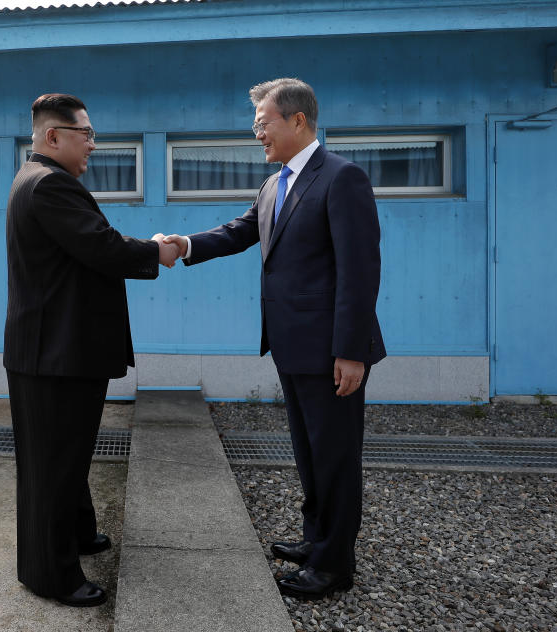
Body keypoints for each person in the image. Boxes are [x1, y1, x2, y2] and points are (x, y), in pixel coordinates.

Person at [159, 78, 385, 600]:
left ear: (297, 121)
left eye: (263, 124)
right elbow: (241, 231)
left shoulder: (341, 178)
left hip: (332, 349)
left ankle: (333, 566)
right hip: (291, 345)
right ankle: (316, 540)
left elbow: (360, 271)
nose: (257, 133)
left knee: (335, 456)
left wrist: (351, 351)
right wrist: (185, 244)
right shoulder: (275, 184)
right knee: (309, 453)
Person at [4, 93, 180, 607]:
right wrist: (158, 251)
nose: (93, 146)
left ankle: (79, 534)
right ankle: (51, 575)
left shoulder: (39, 181)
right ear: (52, 136)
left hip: (57, 350)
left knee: (68, 458)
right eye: (86, 136)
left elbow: (90, 243)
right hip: (54, 355)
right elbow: (102, 247)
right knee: (53, 469)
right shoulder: (50, 185)